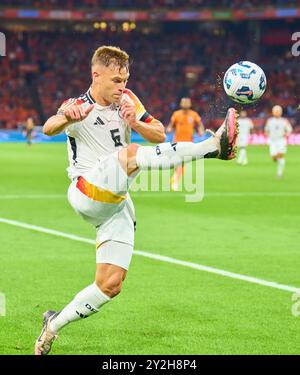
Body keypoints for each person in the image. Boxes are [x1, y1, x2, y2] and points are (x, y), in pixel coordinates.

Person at [34, 45, 238, 355]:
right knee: (130, 156)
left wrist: (136, 123)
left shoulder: (128, 101)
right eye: (116, 80)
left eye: (125, 79)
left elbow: (158, 133)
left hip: (116, 203)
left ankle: (52, 325)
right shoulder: (77, 105)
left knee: (110, 284)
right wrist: (65, 118)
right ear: (96, 75)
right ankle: (212, 146)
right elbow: (49, 127)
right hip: (86, 190)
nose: (122, 86)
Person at [166, 97, 204, 190]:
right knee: (178, 162)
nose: (186, 104)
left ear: (190, 104)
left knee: (181, 162)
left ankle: (175, 181)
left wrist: (200, 131)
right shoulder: (176, 114)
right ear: (181, 104)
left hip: (188, 143)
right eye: (184, 102)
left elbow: (200, 125)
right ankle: (175, 179)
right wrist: (169, 129)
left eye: (187, 102)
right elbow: (171, 126)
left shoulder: (194, 114)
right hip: (177, 142)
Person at [264, 105, 292, 179]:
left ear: (281, 112)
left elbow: (289, 129)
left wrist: (286, 134)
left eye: (278, 111)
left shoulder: (284, 121)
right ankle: (277, 159)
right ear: (273, 112)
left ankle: (279, 174)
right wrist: (267, 134)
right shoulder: (270, 121)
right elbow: (266, 130)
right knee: (274, 157)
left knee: (280, 155)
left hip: (281, 141)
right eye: (275, 111)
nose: (277, 112)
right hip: (272, 141)